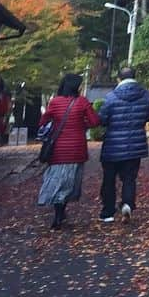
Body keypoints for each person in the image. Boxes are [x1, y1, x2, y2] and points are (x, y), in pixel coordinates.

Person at [36, 73, 101, 229]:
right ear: (75, 87)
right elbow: (95, 121)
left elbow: (43, 121)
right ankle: (61, 213)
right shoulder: (82, 102)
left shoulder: (55, 102)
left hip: (57, 149)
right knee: (69, 182)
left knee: (58, 180)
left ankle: (58, 214)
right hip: (76, 149)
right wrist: (82, 124)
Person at [98, 66, 149, 223]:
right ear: (135, 76)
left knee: (109, 179)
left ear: (119, 79)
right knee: (129, 178)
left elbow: (102, 118)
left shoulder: (110, 97)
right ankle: (127, 204)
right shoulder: (146, 95)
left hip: (112, 146)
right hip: (136, 144)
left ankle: (108, 212)